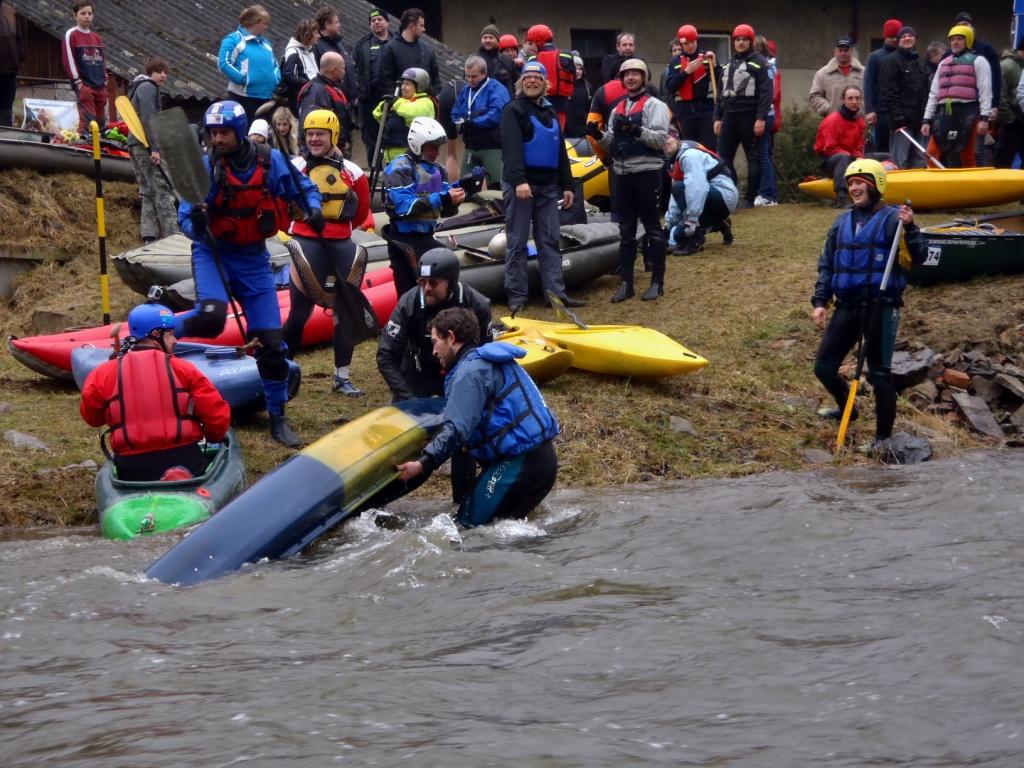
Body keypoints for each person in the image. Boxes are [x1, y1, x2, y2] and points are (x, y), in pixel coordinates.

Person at [176, 100, 322, 447]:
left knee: (271, 344)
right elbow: (185, 217)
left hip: (254, 258)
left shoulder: (269, 161)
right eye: (212, 133)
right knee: (211, 318)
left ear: (240, 132)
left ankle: (278, 417)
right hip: (215, 253)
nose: (217, 139)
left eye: (224, 132)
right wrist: (194, 223)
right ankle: (160, 330)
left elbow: (306, 190)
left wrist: (313, 210)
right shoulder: (205, 166)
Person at [395, 307, 560, 528]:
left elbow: (457, 429)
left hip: (518, 464)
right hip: (543, 463)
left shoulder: (470, 372)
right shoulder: (488, 362)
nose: (434, 351)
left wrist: (422, 463)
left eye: (435, 342)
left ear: (451, 337)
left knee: (466, 528)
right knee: (502, 530)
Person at [811, 159, 927, 454]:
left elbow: (919, 257)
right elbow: (827, 263)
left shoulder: (894, 219)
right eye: (850, 183)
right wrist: (821, 301)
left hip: (881, 305)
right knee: (824, 367)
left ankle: (882, 438)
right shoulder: (841, 222)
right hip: (848, 305)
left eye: (859, 182)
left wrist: (911, 228)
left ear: (875, 184)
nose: (853, 187)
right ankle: (846, 408)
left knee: (879, 374)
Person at [80, 303, 230, 482]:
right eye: (171, 334)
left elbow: (92, 418)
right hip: (185, 460)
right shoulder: (183, 369)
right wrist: (215, 437)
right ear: (155, 335)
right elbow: (216, 414)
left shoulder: (104, 373)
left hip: (131, 467)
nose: (175, 340)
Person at [282, 110, 371, 397]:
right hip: (306, 243)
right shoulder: (295, 167)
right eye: (309, 134)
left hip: (341, 244)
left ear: (333, 136)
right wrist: (298, 228)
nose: (314, 139)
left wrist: (339, 231)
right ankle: (283, 372)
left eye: (320, 133)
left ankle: (342, 376)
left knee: (344, 312)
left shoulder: (352, 171)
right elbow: (281, 204)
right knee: (299, 311)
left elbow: (360, 212)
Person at [501, 60, 584, 313]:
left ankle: (556, 295)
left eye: (537, 77)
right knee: (516, 243)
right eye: (528, 77)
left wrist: (567, 185)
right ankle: (517, 297)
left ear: (545, 83)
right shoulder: (513, 110)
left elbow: (559, 151)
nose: (532, 81)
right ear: (521, 82)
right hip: (521, 187)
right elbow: (511, 150)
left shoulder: (549, 112)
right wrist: (519, 181)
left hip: (547, 188)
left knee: (549, 241)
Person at [591, 58, 671, 301]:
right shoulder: (618, 110)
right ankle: (626, 283)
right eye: (626, 75)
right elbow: (615, 144)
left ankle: (657, 282)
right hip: (622, 174)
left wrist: (635, 130)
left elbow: (659, 140)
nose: (631, 78)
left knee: (652, 228)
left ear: (644, 78)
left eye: (636, 74)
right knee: (625, 231)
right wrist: (599, 136)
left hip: (647, 173)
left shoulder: (655, 105)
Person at [377, 248, 491, 402]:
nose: (426, 289)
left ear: (451, 282)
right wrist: (407, 397)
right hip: (419, 368)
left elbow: (486, 352)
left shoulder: (477, 304)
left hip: (461, 370)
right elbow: (386, 355)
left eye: (433, 282)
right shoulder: (408, 303)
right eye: (422, 282)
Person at [380, 116, 464, 298]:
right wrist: (443, 197)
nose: (436, 152)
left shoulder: (438, 170)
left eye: (438, 147)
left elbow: (445, 208)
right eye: (432, 147)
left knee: (447, 267)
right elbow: (402, 208)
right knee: (410, 294)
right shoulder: (399, 168)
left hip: (426, 235)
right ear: (418, 144)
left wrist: (461, 193)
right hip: (403, 239)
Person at [714, 24, 770, 208]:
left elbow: (765, 92)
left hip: (750, 117)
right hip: (729, 117)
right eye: (738, 39)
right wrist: (717, 117)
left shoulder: (760, 62)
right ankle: (733, 194)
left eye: (744, 39)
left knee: (752, 158)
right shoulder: (728, 64)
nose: (741, 42)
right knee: (723, 158)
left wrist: (760, 118)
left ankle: (750, 199)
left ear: (751, 42)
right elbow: (720, 94)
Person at [922, 25, 993, 168]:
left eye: (959, 39)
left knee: (968, 155)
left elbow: (985, 90)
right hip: (944, 113)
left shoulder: (979, 61)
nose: (955, 42)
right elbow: (934, 93)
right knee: (932, 153)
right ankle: (936, 186)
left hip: (968, 113)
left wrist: (985, 118)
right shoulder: (943, 63)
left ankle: (972, 187)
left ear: (968, 40)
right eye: (952, 39)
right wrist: (926, 119)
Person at [126, 56, 177, 244]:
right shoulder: (148, 88)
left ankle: (149, 236)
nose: (163, 75)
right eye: (159, 71)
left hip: (134, 144)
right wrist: (155, 148)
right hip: (145, 145)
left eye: (165, 72)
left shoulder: (138, 88)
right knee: (161, 188)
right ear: (150, 73)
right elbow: (149, 119)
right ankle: (173, 236)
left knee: (147, 190)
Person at [664, 131, 737, 255]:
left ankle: (695, 240)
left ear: (677, 138)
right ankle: (719, 222)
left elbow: (697, 189)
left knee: (680, 188)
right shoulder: (675, 158)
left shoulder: (689, 156)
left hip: (724, 194)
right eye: (660, 140)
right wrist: (669, 224)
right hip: (711, 196)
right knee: (676, 232)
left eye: (667, 138)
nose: (664, 143)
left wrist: (691, 222)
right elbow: (675, 197)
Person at [451, 54, 509, 186]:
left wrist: (473, 123)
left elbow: (496, 114)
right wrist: (458, 123)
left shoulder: (497, 89)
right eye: (468, 76)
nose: (470, 80)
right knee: (464, 187)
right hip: (471, 146)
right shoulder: (466, 90)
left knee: (496, 189)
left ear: (484, 73)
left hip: (492, 147)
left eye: (474, 76)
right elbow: (455, 111)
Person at [217, 5, 280, 124]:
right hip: (243, 98)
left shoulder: (265, 44)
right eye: (264, 23)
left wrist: (275, 79)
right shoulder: (233, 39)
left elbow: (275, 65)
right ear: (254, 22)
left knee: (263, 136)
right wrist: (242, 79)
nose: (266, 27)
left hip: (266, 98)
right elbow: (223, 63)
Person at [880, 27, 932, 169]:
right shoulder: (891, 61)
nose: (907, 38)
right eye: (904, 36)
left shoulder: (920, 62)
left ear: (915, 39)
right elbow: (888, 91)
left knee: (920, 160)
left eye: (910, 35)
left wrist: (927, 118)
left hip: (920, 122)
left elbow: (927, 91)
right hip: (901, 123)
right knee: (899, 162)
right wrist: (897, 119)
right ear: (898, 41)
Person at [664, 25, 717, 150]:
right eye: (687, 43)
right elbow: (670, 87)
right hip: (685, 110)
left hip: (707, 108)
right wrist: (686, 71)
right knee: (690, 149)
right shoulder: (675, 62)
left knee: (709, 148)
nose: (691, 46)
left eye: (693, 42)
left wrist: (715, 65)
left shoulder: (706, 58)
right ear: (681, 44)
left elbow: (720, 81)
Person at [813, 85, 866, 206]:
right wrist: (853, 157)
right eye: (850, 98)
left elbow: (859, 145)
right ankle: (841, 197)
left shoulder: (859, 120)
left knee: (881, 157)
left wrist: (860, 157)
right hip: (830, 161)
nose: (854, 102)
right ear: (843, 100)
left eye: (857, 98)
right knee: (842, 157)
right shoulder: (833, 120)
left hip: (851, 157)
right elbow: (830, 148)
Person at [372, 67, 438, 163]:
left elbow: (411, 112)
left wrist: (396, 102)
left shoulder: (426, 102)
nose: (403, 87)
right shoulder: (402, 102)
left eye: (407, 84)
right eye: (403, 83)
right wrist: (384, 106)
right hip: (390, 158)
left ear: (418, 86)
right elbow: (376, 113)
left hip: (411, 158)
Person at [375, 8, 440, 103]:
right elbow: (384, 82)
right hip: (400, 109)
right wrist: (398, 103)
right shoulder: (390, 49)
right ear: (412, 26)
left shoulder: (427, 50)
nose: (424, 29)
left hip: (424, 108)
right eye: (421, 26)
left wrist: (430, 98)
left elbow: (436, 80)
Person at [354, 8, 394, 162]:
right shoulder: (362, 44)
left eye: (380, 19)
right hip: (369, 99)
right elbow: (355, 68)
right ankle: (373, 168)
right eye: (373, 20)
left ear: (387, 22)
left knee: (392, 135)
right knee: (371, 138)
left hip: (392, 99)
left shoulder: (396, 42)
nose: (376, 22)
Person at [297, 51, 354, 157]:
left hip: (335, 149)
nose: (344, 72)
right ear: (334, 70)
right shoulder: (315, 91)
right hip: (323, 153)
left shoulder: (332, 88)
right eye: (342, 68)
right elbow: (311, 125)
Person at [62, 1, 107, 134]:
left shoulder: (97, 38)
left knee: (101, 122)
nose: (87, 16)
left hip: (100, 85)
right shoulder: (71, 34)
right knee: (88, 120)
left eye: (90, 13)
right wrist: (78, 82)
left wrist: (104, 81)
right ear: (75, 15)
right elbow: (68, 60)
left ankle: (102, 147)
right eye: (83, 13)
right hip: (84, 85)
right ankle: (85, 147)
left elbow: (103, 61)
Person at [525, 24, 575, 129]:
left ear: (539, 41)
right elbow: (573, 77)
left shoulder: (533, 59)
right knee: (558, 137)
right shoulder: (565, 55)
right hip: (561, 106)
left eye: (532, 43)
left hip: (538, 106)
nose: (531, 46)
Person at [863, 19, 901, 154]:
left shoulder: (904, 57)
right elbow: (868, 84)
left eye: (897, 37)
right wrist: (869, 109)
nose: (894, 40)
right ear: (885, 37)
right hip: (881, 112)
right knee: (882, 150)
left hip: (900, 112)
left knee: (899, 150)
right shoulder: (875, 57)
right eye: (891, 37)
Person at [753, 36, 780, 207]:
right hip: (766, 115)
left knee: (763, 155)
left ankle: (768, 194)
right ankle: (765, 192)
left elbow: (771, 94)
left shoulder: (767, 67)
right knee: (763, 154)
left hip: (765, 115)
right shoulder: (770, 66)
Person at [808, 37, 864, 117]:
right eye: (840, 50)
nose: (843, 53)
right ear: (835, 51)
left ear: (852, 51)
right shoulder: (822, 73)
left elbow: (871, 95)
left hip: (858, 121)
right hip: (833, 121)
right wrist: (828, 109)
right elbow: (815, 96)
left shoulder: (864, 72)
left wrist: (863, 109)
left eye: (846, 50)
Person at [313, 6, 359, 106]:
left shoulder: (339, 43)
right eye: (336, 22)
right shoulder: (317, 46)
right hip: (333, 102)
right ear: (327, 24)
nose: (340, 25)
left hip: (349, 102)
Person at [995, 35, 1024, 168]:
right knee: (1004, 159)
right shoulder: (1007, 66)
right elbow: (999, 95)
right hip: (1011, 122)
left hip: (1021, 119)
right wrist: (1009, 119)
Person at [282, 19, 320, 118]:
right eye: (315, 33)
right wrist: (309, 83)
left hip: (312, 96)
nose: (318, 36)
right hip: (299, 100)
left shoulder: (311, 50)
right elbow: (289, 77)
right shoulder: (293, 52)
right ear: (307, 35)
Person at [0, 0, 24, 127]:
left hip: (9, 70)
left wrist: (18, 56)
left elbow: (18, 37)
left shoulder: (9, 10)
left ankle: (5, 139)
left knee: (6, 106)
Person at [478, 23, 518, 98]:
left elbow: (516, 85)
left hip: (505, 104)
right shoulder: (474, 60)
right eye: (485, 37)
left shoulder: (507, 61)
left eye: (491, 37)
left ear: (497, 40)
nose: (487, 40)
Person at [565, 53, 594, 138]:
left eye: (580, 69)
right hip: (566, 132)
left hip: (583, 132)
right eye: (574, 68)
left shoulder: (588, 87)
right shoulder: (564, 87)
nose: (577, 71)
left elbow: (591, 108)